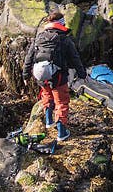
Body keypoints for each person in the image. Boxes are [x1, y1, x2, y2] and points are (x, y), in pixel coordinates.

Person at [22, 10, 85, 145]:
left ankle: (49, 121)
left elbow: (29, 57)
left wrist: (25, 75)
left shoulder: (39, 37)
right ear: (61, 24)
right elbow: (75, 58)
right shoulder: (64, 39)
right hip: (58, 76)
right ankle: (62, 133)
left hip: (40, 75)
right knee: (61, 102)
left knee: (46, 96)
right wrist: (82, 74)